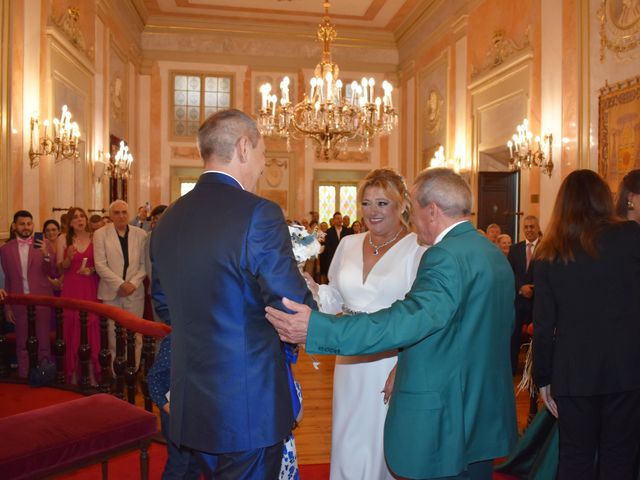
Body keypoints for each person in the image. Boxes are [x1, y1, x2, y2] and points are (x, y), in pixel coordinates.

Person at [266, 168, 517, 480]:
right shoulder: (491, 253)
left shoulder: (441, 256)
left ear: (432, 210)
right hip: (479, 404)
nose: (413, 219)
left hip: (441, 399)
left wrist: (319, 329)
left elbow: (408, 319)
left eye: (409, 207)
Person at [150, 109, 315, 479]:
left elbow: (163, 306)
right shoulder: (259, 213)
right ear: (243, 147)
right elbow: (291, 305)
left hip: (190, 399)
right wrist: (311, 298)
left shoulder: (168, 220)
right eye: (262, 155)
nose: (261, 166)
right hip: (247, 403)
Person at [305, 168, 426, 479]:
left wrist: (405, 366)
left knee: (382, 442)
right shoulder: (348, 244)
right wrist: (313, 288)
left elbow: (422, 315)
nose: (373, 212)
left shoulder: (418, 249)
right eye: (367, 203)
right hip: (349, 357)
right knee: (348, 436)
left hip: (390, 359)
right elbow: (335, 298)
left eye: (383, 203)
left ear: (402, 206)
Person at [533, 170, 640, 479]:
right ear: (605, 199)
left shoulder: (549, 252)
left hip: (573, 373)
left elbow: (543, 324)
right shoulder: (632, 237)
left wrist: (543, 378)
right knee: (620, 458)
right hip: (628, 370)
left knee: (574, 459)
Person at [93, 200, 148, 368]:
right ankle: (116, 374)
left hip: (135, 292)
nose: (121, 216)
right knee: (113, 336)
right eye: (116, 213)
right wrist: (120, 285)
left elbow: (145, 264)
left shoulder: (141, 234)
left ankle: (133, 370)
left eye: (124, 212)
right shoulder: (100, 234)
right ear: (111, 216)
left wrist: (132, 283)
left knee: (135, 335)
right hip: (111, 292)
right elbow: (100, 265)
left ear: (129, 213)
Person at [0, 210, 54, 378]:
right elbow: (6, 280)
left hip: (42, 299)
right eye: (22, 224)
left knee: (43, 340)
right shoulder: (5, 249)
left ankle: (44, 375)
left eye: (29, 224)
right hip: (19, 301)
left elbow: (53, 271)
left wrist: (46, 255)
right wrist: (7, 307)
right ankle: (25, 375)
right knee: (22, 341)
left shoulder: (44, 244)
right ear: (15, 225)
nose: (26, 227)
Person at [56, 207, 101, 384]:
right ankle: (73, 373)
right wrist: (68, 258)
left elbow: (101, 264)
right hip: (71, 287)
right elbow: (60, 268)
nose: (80, 220)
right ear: (70, 222)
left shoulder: (95, 237)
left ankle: (91, 374)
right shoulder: (62, 239)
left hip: (89, 286)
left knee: (91, 328)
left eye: (82, 216)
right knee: (72, 328)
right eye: (75, 217)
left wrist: (91, 270)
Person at [147, 334, 202, 480]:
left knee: (196, 463)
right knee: (179, 464)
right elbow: (154, 379)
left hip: (200, 414)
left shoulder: (213, 339)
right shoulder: (175, 341)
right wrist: (168, 407)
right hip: (175, 415)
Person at [507, 215, 540, 375]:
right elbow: (509, 272)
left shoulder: (546, 248)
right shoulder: (515, 249)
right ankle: (512, 369)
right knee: (513, 336)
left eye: (532, 226)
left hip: (538, 300)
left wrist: (533, 288)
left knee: (538, 338)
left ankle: (536, 371)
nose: (529, 230)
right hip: (518, 300)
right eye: (526, 227)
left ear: (538, 227)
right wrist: (521, 287)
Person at [319, 212, 351, 283]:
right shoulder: (328, 232)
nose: (340, 220)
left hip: (344, 259)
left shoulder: (348, 231)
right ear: (333, 220)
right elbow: (327, 247)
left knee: (343, 279)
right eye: (337, 218)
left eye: (340, 218)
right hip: (332, 259)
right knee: (332, 280)